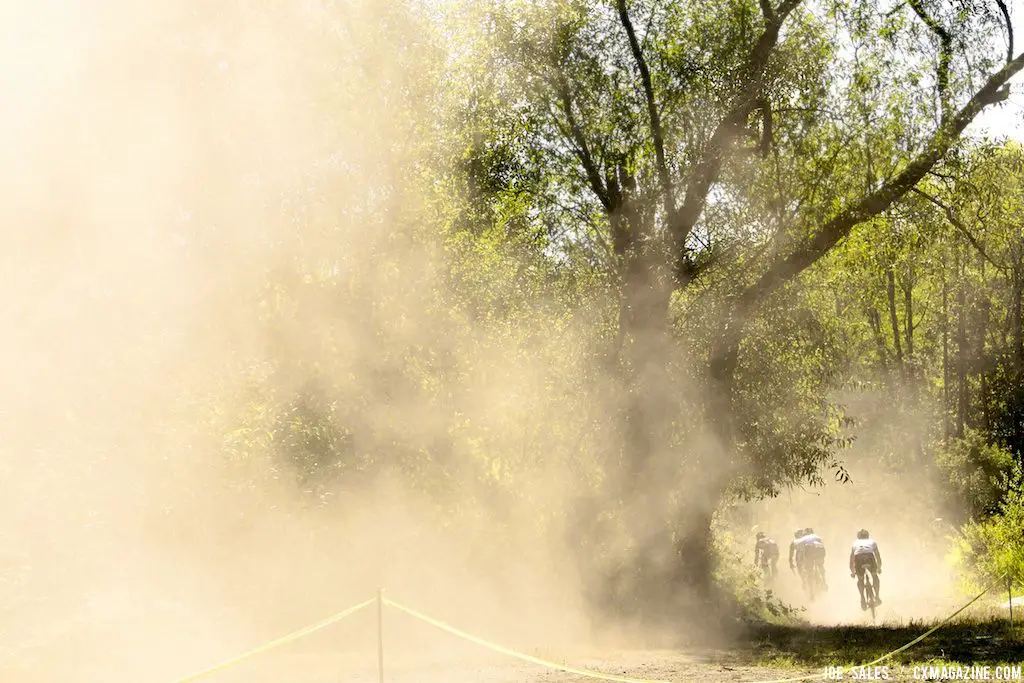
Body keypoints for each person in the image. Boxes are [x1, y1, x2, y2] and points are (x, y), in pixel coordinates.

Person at [849, 528, 882, 610]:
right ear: (867, 536)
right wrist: (879, 567)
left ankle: (862, 599)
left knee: (860, 579)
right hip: (870, 557)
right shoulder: (872, 541)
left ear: (858, 537)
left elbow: (851, 559)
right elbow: (877, 556)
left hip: (858, 558)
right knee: (874, 576)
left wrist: (852, 571)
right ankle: (877, 597)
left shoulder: (854, 543)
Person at [798, 527, 828, 592]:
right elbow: (823, 548)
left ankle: (811, 589)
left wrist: (800, 561)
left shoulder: (804, 539)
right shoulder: (817, 537)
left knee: (809, 570)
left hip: (810, 554)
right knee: (820, 565)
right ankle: (824, 581)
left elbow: (801, 551)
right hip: (819, 553)